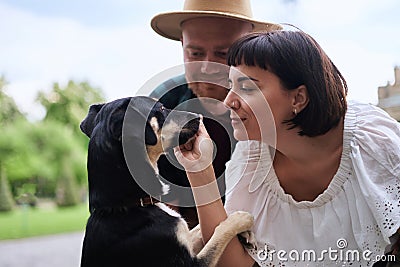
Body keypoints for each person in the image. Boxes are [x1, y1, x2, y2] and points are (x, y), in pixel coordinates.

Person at [174, 30, 400, 266]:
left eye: (247, 88)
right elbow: (232, 263)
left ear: (298, 98)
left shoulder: (371, 140)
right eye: (231, 86)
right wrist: (200, 173)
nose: (229, 100)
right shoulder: (251, 160)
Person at [149, 0, 281, 228]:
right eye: (196, 53)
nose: (209, 68)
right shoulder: (163, 105)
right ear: (182, 44)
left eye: (223, 54)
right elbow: (164, 214)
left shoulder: (275, 106)